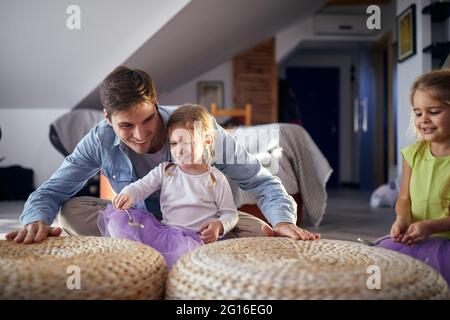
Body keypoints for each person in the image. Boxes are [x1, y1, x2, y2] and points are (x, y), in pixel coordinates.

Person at [5, 66, 320, 245]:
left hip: (199, 225)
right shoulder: (99, 139)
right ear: (107, 119)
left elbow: (263, 182)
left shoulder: (196, 130)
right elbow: (52, 190)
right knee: (70, 211)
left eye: (147, 121)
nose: (140, 135)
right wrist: (35, 220)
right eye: (126, 126)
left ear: (156, 105)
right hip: (137, 221)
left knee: (263, 234)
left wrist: (281, 219)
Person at [99, 105, 238, 267]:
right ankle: (138, 261)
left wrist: (219, 226)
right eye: (173, 143)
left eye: (187, 142)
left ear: (207, 141)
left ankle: (160, 266)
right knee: (117, 221)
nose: (179, 151)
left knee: (188, 257)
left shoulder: (215, 179)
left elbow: (230, 214)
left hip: (197, 241)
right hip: (166, 234)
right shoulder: (166, 171)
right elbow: (141, 186)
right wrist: (128, 194)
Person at [376, 69, 450, 286]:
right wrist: (403, 219)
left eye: (434, 111)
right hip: (417, 239)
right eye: (418, 113)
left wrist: (430, 227)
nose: (424, 120)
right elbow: (404, 199)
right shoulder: (413, 154)